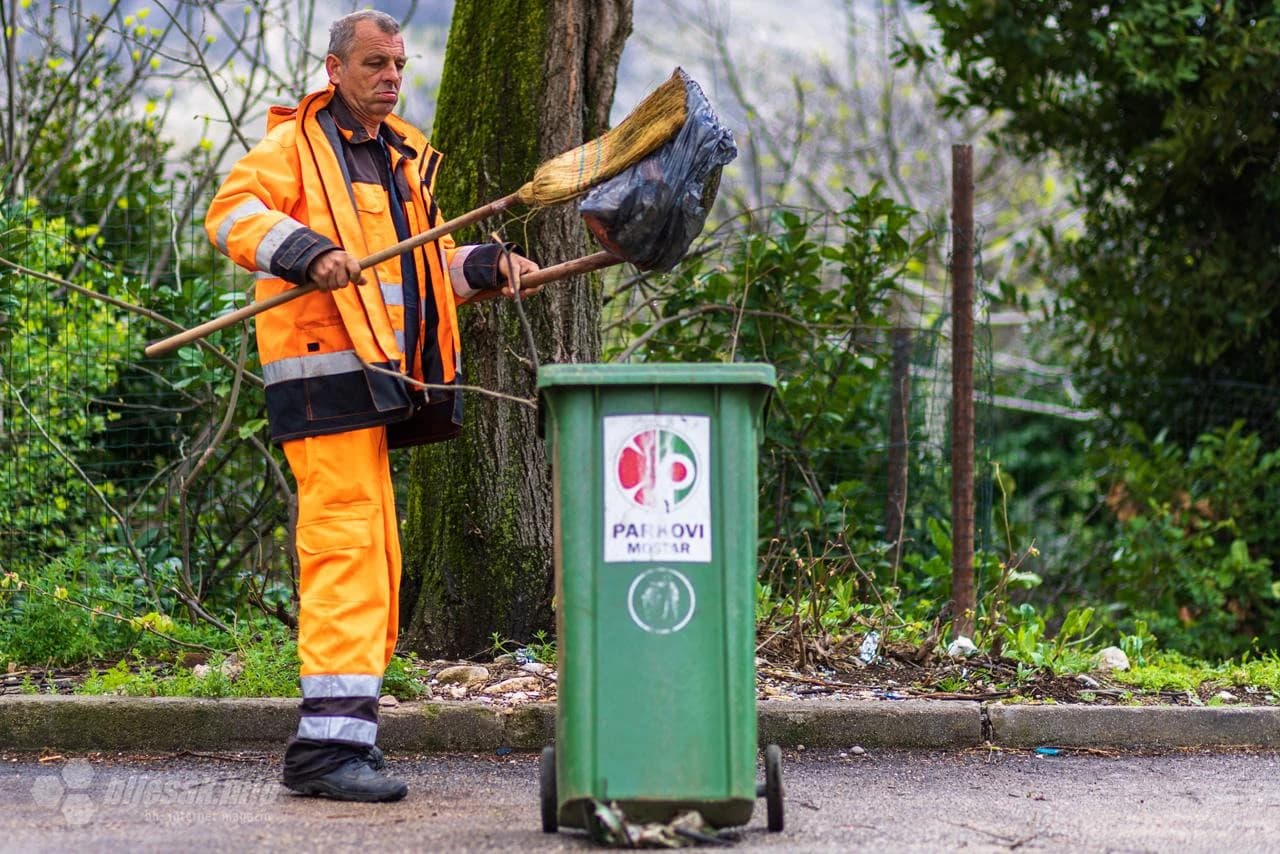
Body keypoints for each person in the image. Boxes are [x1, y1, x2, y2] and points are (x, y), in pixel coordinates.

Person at [205, 9, 539, 802]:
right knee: (346, 558)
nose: (390, 77)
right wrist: (306, 252)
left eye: (397, 64)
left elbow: (415, 278)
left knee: (376, 563)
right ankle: (324, 756)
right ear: (334, 70)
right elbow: (233, 213)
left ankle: (345, 738)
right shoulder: (295, 147)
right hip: (323, 385)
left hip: (374, 388)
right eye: (373, 65)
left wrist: (483, 265)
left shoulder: (401, 162)